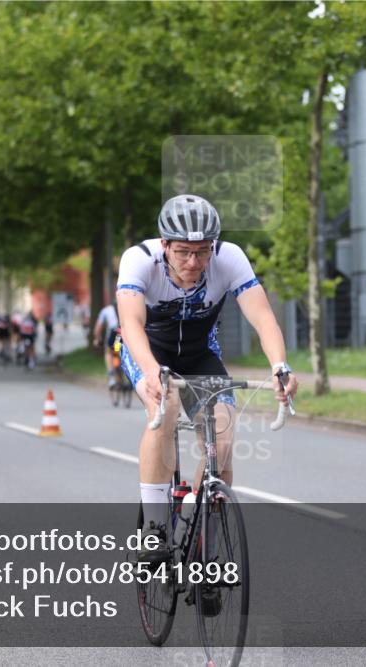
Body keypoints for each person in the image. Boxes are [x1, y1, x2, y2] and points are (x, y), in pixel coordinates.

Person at [116, 194, 298, 563]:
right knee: (164, 410)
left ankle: (201, 536)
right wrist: (151, 371)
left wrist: (280, 366)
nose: (193, 262)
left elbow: (263, 319)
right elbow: (132, 323)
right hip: (150, 351)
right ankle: (154, 530)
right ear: (164, 244)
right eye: (183, 251)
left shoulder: (229, 258)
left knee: (224, 437)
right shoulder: (138, 259)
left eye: (202, 252)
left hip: (201, 354)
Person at [92, 302, 120, 385]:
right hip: (120, 333)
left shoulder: (105, 310)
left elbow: (97, 329)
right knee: (116, 352)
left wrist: (97, 339)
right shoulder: (123, 307)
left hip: (113, 332)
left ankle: (111, 377)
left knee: (108, 353)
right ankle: (119, 375)